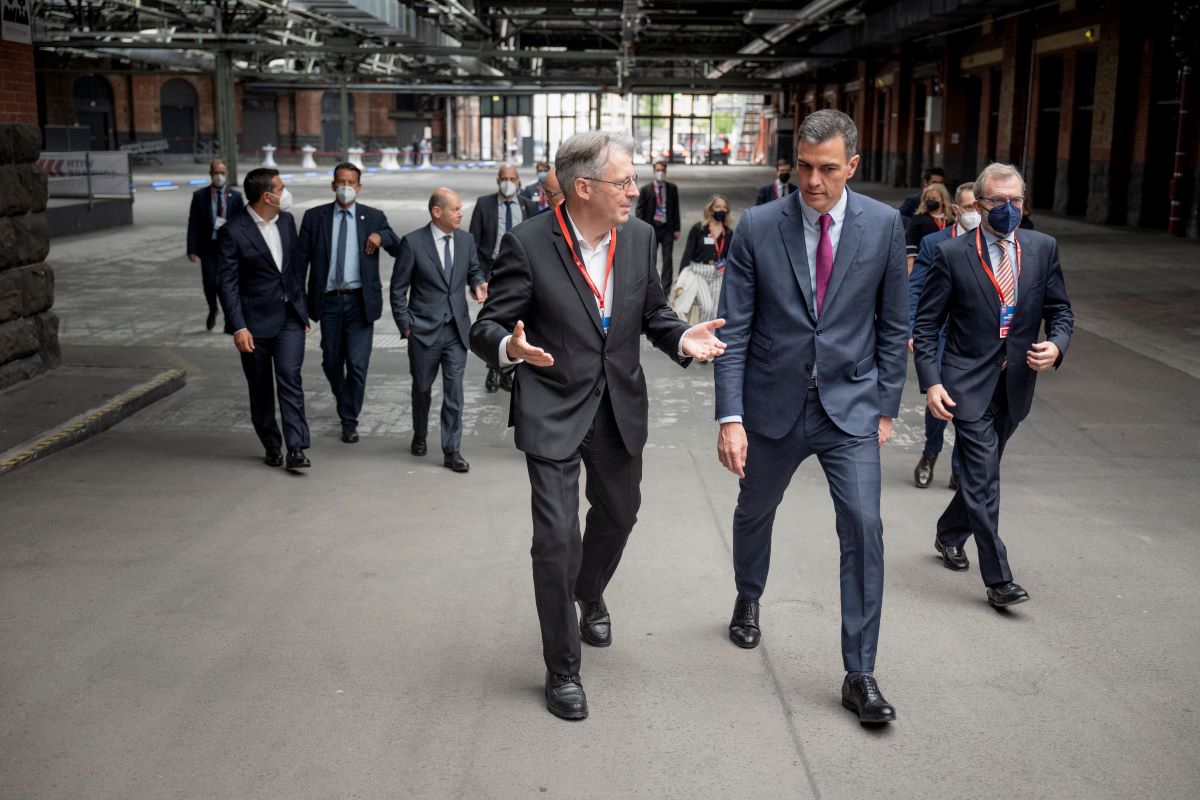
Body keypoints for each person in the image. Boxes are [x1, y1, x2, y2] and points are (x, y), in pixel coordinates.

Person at [469, 131, 727, 721]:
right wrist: (510, 350)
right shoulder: (528, 243)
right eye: (625, 182)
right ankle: (562, 669)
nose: (635, 192)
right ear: (583, 187)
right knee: (556, 542)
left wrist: (680, 336)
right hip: (553, 408)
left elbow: (654, 311)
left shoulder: (637, 239)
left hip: (618, 409)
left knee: (620, 515)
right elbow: (485, 327)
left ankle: (588, 592)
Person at [715, 109, 907, 724]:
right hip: (773, 405)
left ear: (852, 165)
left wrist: (885, 407)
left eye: (828, 169)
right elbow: (735, 329)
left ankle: (861, 673)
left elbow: (894, 322)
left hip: (849, 407)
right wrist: (730, 416)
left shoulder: (882, 226)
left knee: (863, 527)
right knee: (754, 512)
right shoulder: (759, 227)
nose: (814, 181)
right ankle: (749, 597)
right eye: (804, 166)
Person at [913, 163, 1073, 607]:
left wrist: (1056, 346)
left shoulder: (1042, 249)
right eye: (998, 201)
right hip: (966, 383)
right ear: (980, 204)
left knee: (982, 475)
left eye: (1016, 201)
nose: (1008, 209)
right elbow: (926, 327)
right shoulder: (952, 255)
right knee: (983, 477)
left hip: (1017, 384)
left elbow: (1060, 312)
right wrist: (931, 383)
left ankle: (948, 533)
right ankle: (999, 579)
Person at [216, 167, 312, 471]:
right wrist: (238, 326)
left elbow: (294, 268)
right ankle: (272, 444)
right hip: (254, 324)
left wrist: (301, 307)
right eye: (281, 189)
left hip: (289, 319)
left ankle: (296, 447)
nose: (286, 193)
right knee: (260, 388)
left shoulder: (287, 221)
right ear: (267, 196)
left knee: (290, 377)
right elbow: (227, 283)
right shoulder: (233, 230)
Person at [299, 163, 401, 444]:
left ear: (359, 187)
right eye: (340, 181)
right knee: (331, 362)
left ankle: (349, 419)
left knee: (357, 365)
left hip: (360, 303)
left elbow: (398, 246)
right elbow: (299, 263)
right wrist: (298, 307)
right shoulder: (314, 217)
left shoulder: (374, 217)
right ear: (333, 185)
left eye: (351, 182)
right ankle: (345, 402)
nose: (345, 187)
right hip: (329, 302)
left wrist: (382, 236)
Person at [390, 189, 487, 473]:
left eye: (460, 209)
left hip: (456, 330)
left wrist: (478, 283)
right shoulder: (413, 243)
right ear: (436, 212)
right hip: (422, 330)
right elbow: (398, 289)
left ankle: (451, 450)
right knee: (422, 388)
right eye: (455, 209)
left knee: (454, 392)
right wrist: (405, 325)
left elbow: (473, 271)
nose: (460, 214)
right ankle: (420, 434)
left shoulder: (466, 240)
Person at [908, 182, 980, 490]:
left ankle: (959, 466)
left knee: (966, 399)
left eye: (980, 207)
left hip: (973, 336)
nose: (975, 213)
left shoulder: (992, 243)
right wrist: (912, 327)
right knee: (939, 395)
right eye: (969, 208)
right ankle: (930, 453)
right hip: (937, 331)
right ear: (956, 210)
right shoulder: (934, 243)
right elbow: (916, 287)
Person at [469, 164, 538, 393]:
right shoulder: (484, 204)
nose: (508, 182)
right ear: (498, 180)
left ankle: (506, 368)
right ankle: (494, 368)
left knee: (516, 319)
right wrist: (477, 277)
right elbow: (473, 243)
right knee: (495, 319)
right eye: (504, 178)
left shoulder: (528, 206)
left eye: (512, 178)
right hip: (492, 268)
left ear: (518, 182)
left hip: (519, 269)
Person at [187, 159, 244, 331]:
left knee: (226, 283)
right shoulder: (200, 196)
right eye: (216, 172)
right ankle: (213, 308)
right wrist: (191, 248)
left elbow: (241, 223)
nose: (219, 176)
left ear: (226, 174)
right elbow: (193, 222)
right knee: (210, 283)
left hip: (228, 248)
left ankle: (229, 318)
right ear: (210, 174)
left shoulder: (235, 196)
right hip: (208, 247)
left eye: (222, 172)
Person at [671, 193, 733, 326]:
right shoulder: (698, 229)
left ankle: (711, 340)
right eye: (717, 207)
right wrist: (680, 280)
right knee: (707, 307)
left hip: (718, 273)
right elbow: (687, 254)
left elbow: (730, 257)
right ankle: (702, 335)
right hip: (699, 273)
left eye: (724, 207)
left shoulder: (728, 232)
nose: (721, 210)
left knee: (716, 311)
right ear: (710, 209)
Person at [634, 160, 681, 291]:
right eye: (658, 170)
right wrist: (642, 228)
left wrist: (677, 228)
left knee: (667, 260)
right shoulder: (645, 189)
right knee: (650, 258)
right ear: (654, 171)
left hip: (667, 228)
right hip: (652, 228)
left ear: (665, 172)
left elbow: (675, 209)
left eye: (663, 170)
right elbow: (639, 210)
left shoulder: (672, 188)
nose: (660, 173)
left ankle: (666, 289)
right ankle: (651, 287)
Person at [905, 181, 955, 271]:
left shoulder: (951, 218)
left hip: (948, 259)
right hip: (926, 258)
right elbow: (911, 241)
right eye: (928, 198)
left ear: (943, 199)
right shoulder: (919, 217)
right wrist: (911, 263)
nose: (930, 200)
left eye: (934, 198)